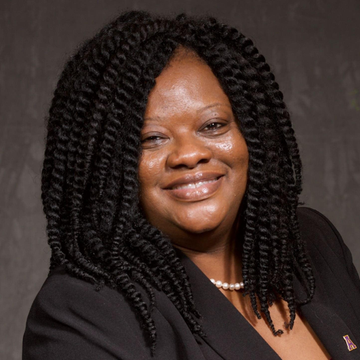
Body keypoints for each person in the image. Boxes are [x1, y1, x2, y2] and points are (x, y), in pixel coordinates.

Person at [23, 10, 360, 360]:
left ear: (254, 134)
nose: (188, 154)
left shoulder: (312, 241)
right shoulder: (82, 312)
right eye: (151, 138)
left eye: (212, 125)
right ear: (108, 164)